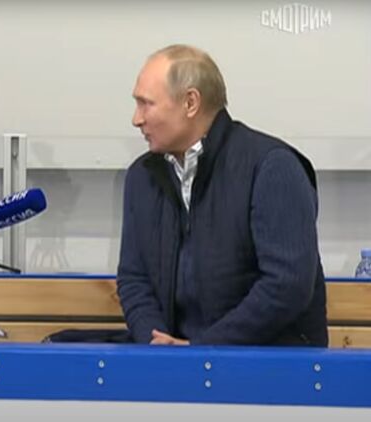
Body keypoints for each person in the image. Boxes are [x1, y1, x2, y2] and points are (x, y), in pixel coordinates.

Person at [117, 44, 327, 346]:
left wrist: (203, 350)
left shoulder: (272, 167)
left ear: (190, 103)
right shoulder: (142, 177)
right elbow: (134, 279)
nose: (136, 119)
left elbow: (286, 285)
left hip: (266, 365)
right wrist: (157, 346)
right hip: (172, 361)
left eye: (146, 104)